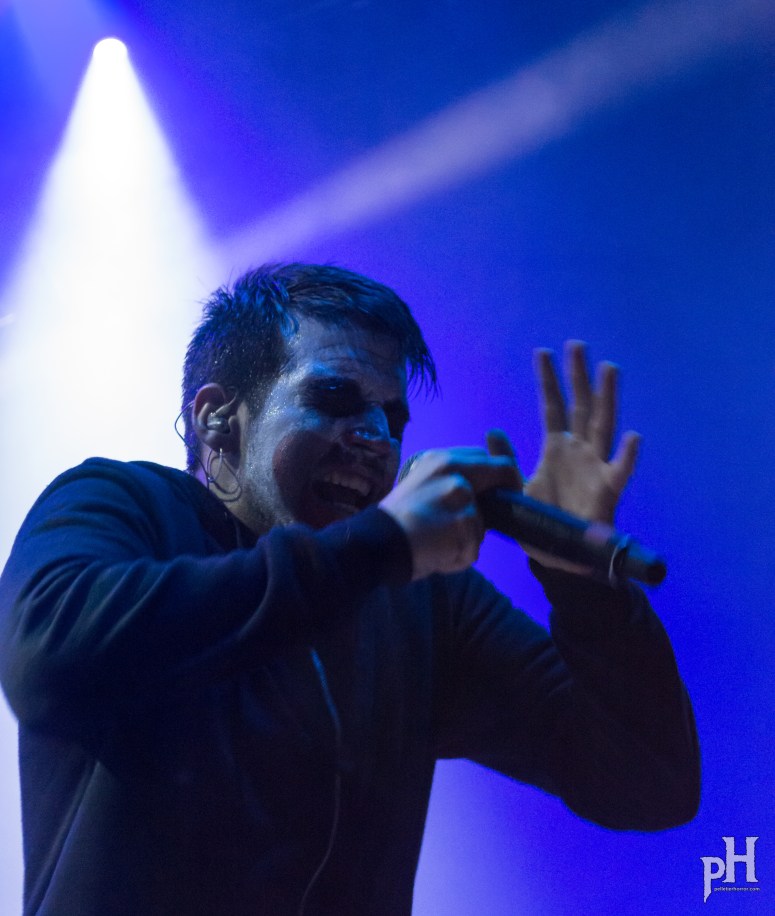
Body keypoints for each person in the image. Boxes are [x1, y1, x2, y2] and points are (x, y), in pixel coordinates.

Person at [0, 263, 699, 916]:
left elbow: (648, 781)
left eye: (391, 419)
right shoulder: (124, 505)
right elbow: (47, 658)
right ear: (217, 417)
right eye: (334, 398)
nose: (374, 437)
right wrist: (381, 546)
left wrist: (585, 587)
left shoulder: (420, 602)